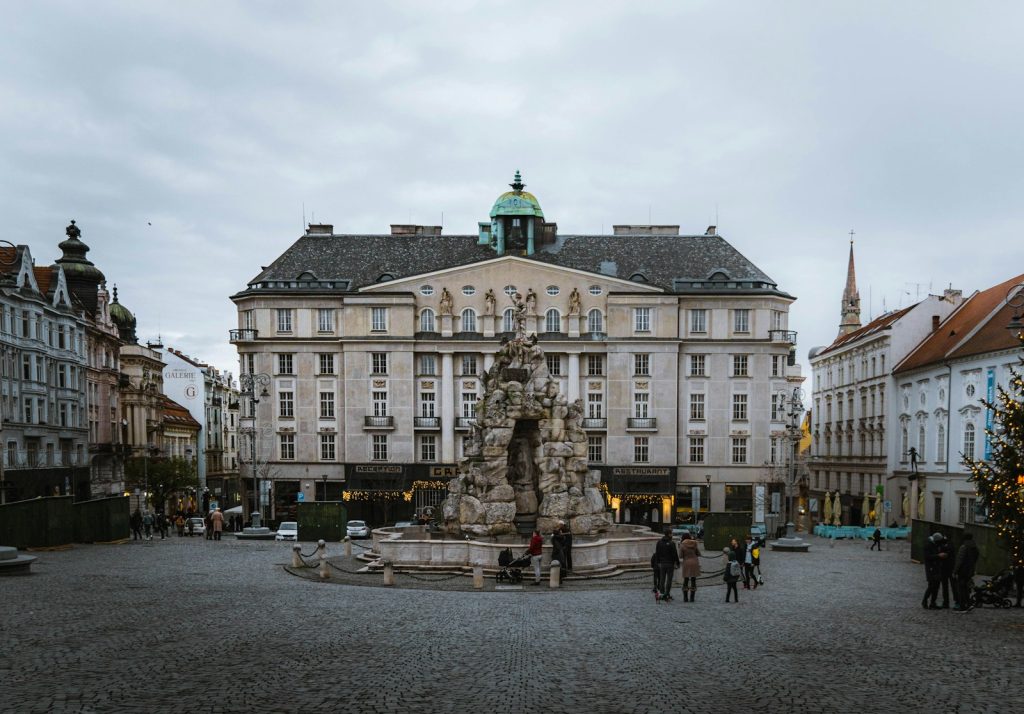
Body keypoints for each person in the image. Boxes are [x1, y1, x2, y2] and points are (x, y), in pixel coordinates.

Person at [953, 533, 980, 612]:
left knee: (961, 588)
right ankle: (968, 604)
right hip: (970, 571)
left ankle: (962, 606)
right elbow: (975, 559)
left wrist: (955, 571)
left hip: (962, 571)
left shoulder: (963, 547)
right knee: (966, 588)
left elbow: (959, 560)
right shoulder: (975, 547)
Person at [654, 529, 680, 602]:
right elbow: (675, 554)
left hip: (662, 563)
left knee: (662, 579)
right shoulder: (671, 543)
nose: (672, 535)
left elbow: (657, 553)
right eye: (671, 534)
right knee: (669, 579)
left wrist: (658, 562)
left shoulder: (659, 542)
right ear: (669, 534)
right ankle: (667, 594)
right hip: (670, 564)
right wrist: (677, 563)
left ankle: (662, 593)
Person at [678, 530, 701, 602]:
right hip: (694, 562)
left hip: (687, 563)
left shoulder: (682, 545)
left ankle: (685, 598)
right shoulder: (694, 544)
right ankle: (692, 598)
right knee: (693, 580)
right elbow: (698, 553)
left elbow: (681, 556)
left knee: (686, 580)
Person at [922, 533, 943, 609]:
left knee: (936, 586)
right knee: (931, 586)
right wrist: (938, 556)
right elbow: (927, 557)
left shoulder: (935, 545)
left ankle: (933, 603)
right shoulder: (928, 545)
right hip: (931, 569)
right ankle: (925, 601)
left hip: (936, 568)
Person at [936, 533, 955, 608]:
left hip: (946, 568)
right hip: (948, 567)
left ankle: (947, 602)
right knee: (949, 586)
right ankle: (948, 602)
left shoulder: (943, 546)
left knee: (948, 586)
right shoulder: (950, 545)